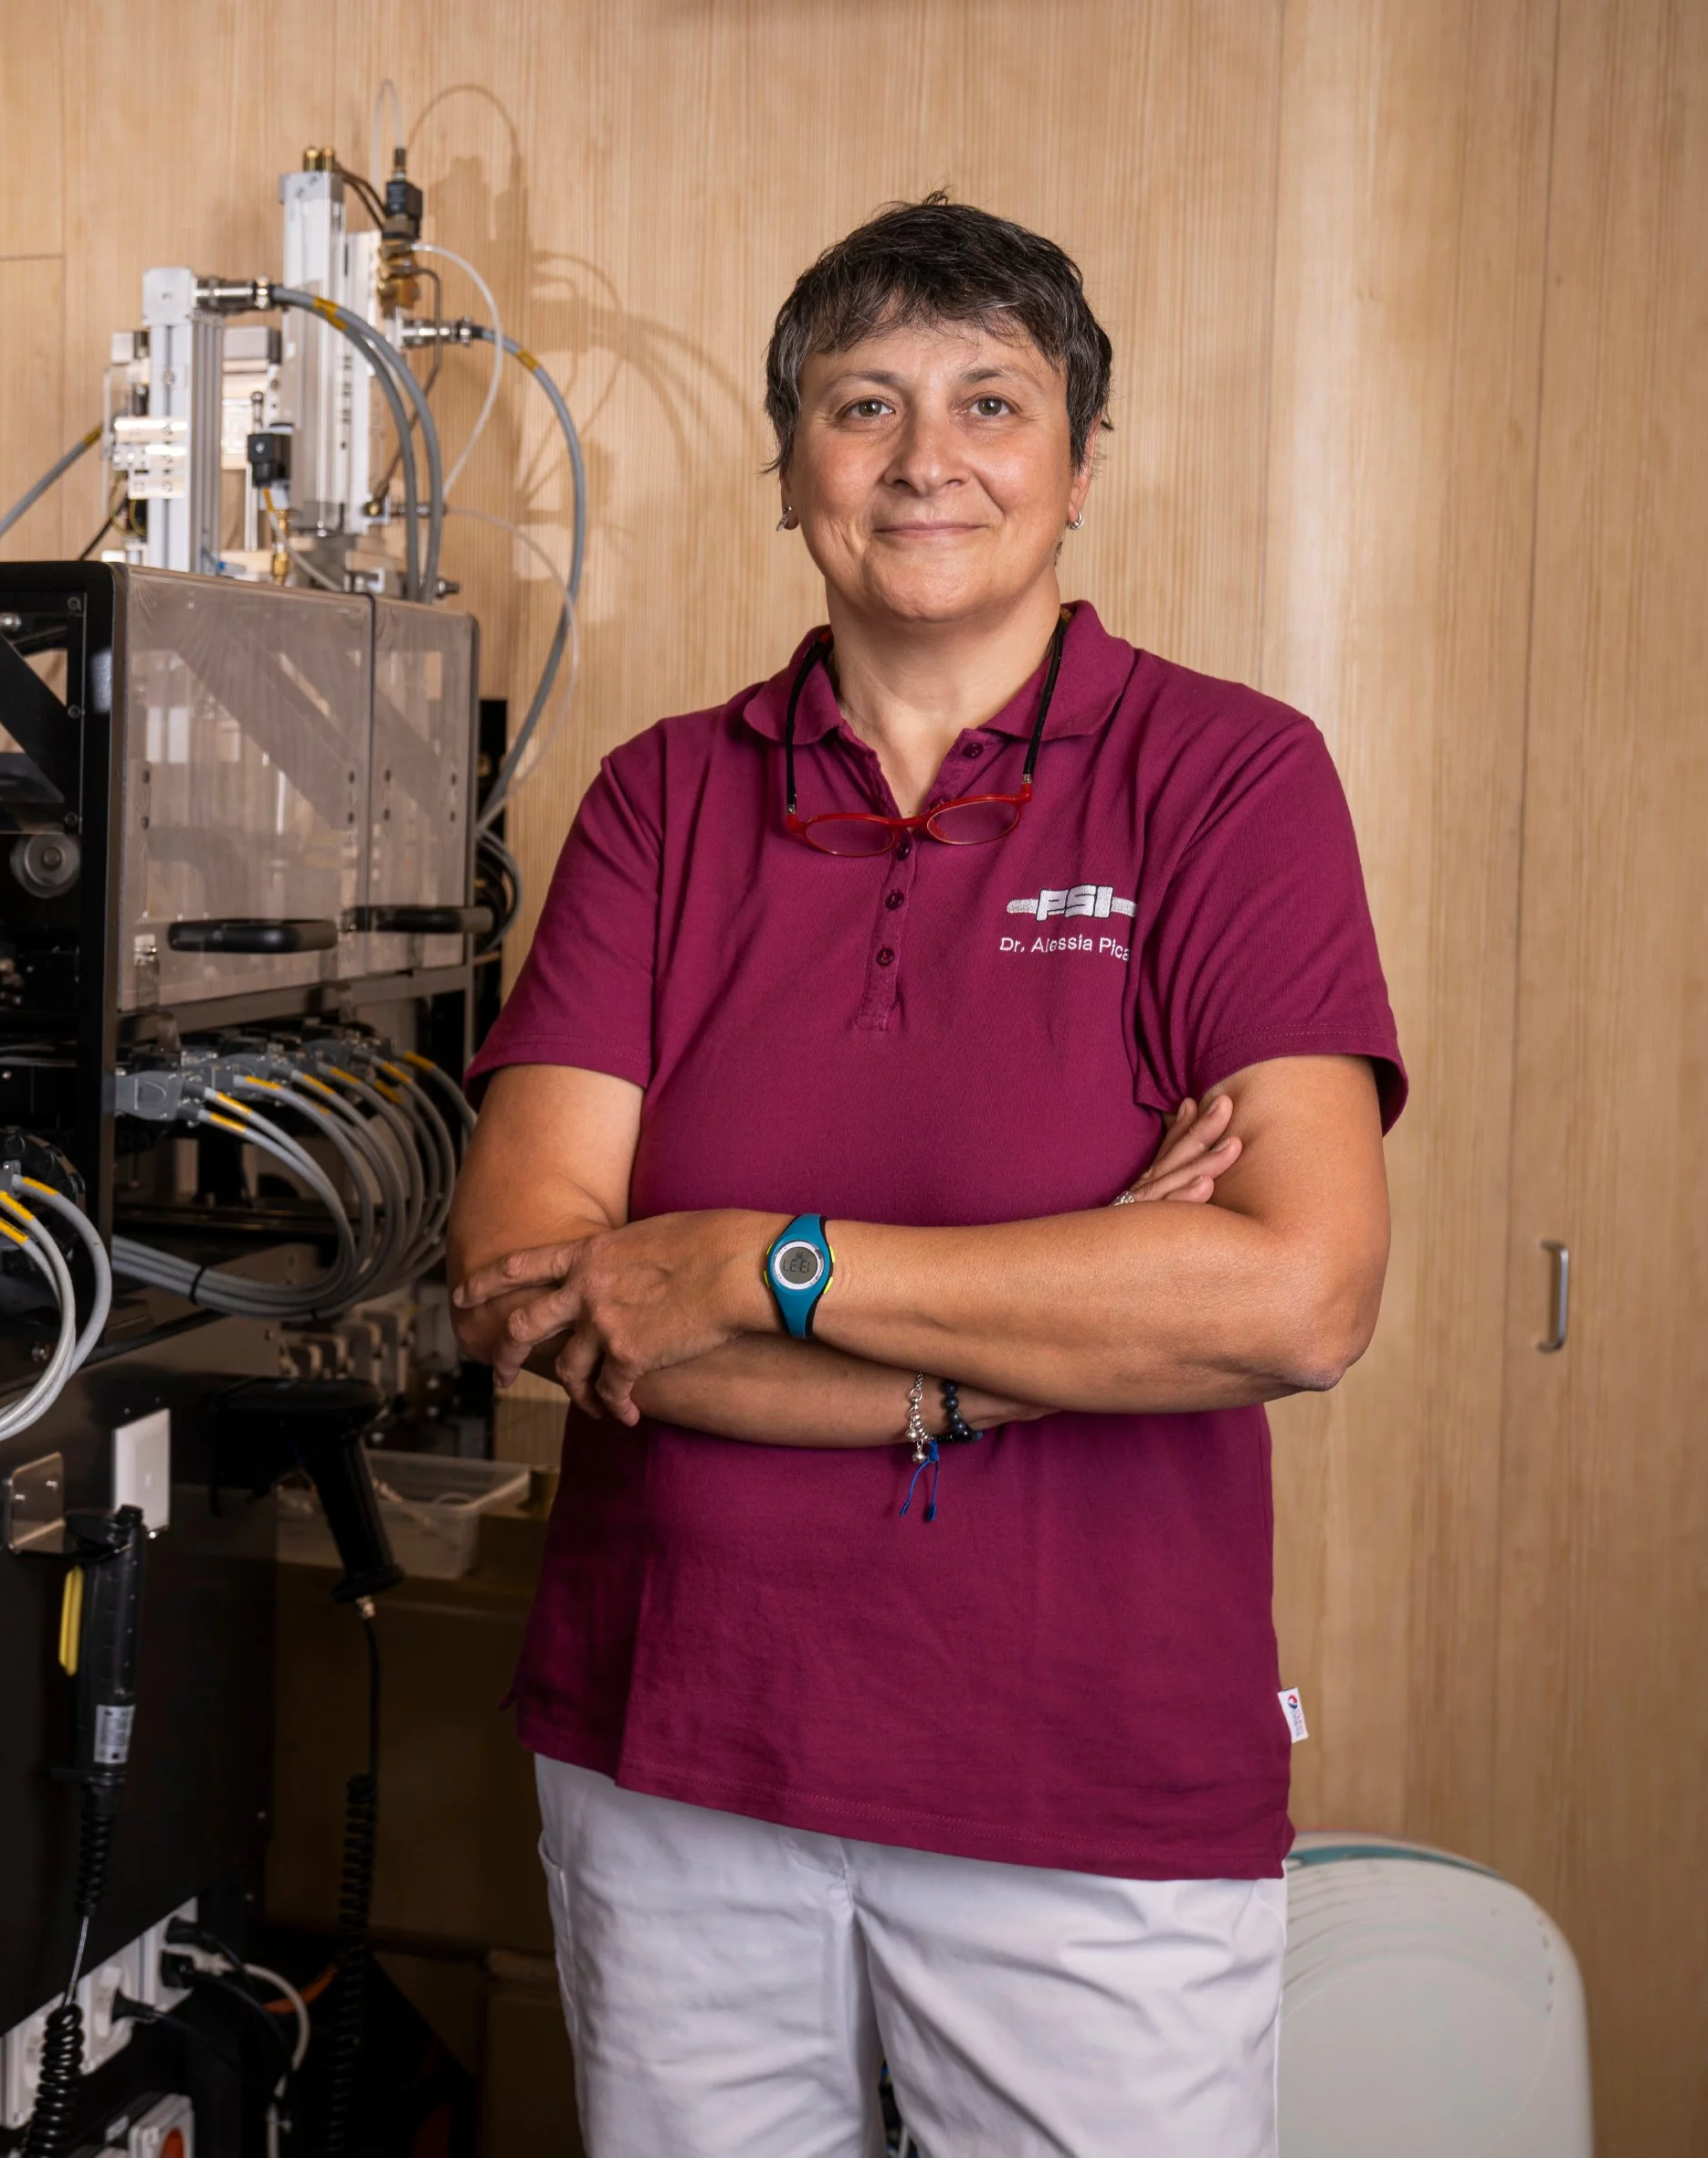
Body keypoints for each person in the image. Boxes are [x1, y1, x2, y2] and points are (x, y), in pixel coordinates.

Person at [443, 196, 1401, 2156]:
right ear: (788, 458)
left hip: (1086, 1787)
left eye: (990, 401)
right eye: (861, 403)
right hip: (676, 1756)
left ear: (1080, 461)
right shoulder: (659, 800)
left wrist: (755, 1262)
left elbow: (1296, 1296)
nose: (923, 458)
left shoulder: (1225, 778)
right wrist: (1027, 1346)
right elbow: (541, 1286)